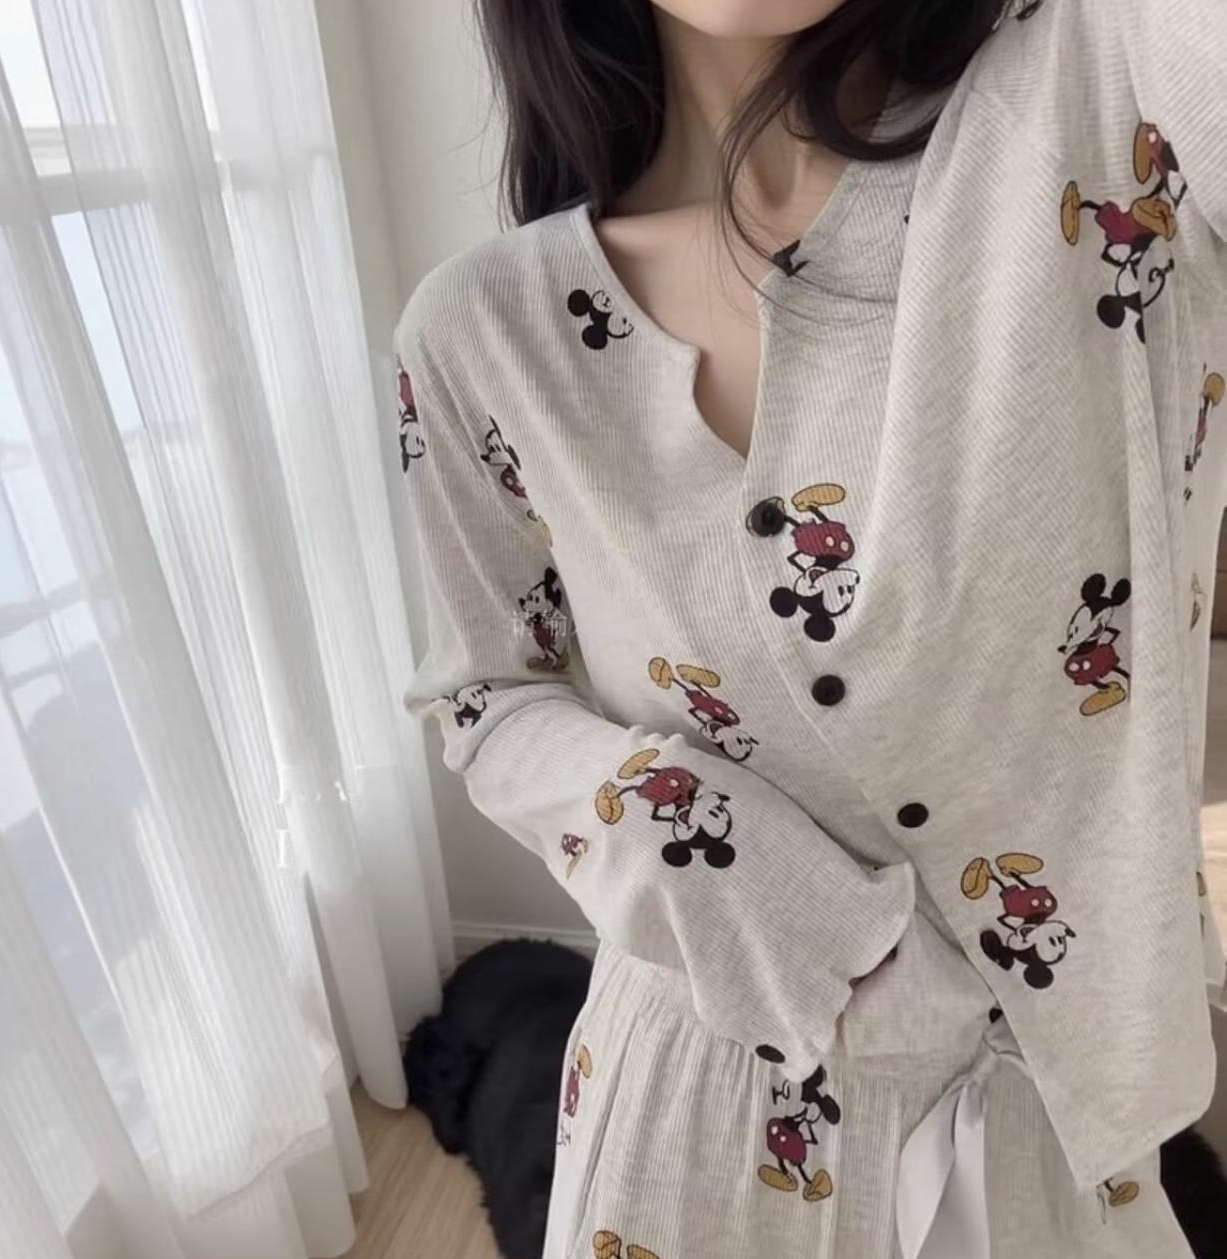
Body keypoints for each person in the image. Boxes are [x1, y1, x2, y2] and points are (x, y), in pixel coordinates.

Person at [392, 0, 1227, 1254]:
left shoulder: (1099, 101)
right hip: (684, 1124)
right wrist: (688, 836)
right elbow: (483, 694)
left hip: (1053, 1138)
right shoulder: (481, 332)